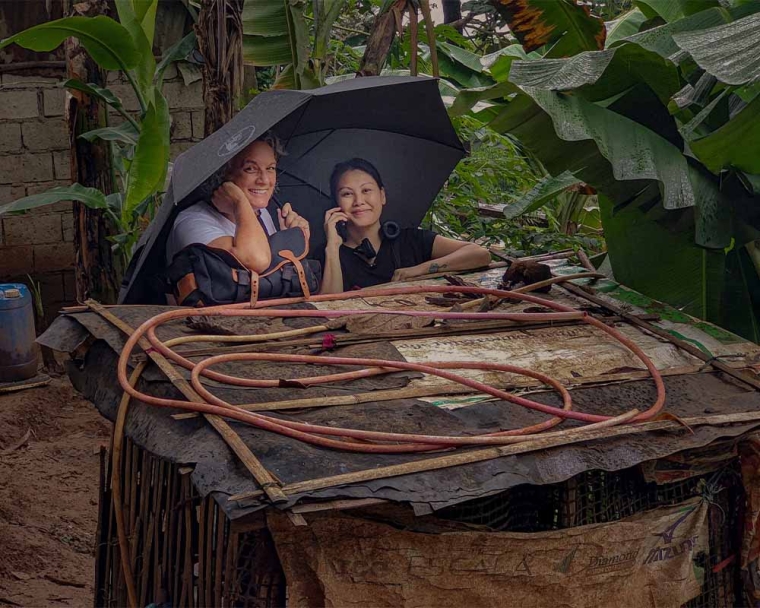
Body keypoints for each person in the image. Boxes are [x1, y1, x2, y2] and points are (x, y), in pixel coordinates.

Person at [320, 158, 491, 294]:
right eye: (347, 193)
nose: (359, 201)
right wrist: (333, 248)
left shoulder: (411, 240)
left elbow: (480, 254)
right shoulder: (328, 254)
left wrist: (418, 270)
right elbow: (326, 307)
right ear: (336, 203)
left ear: (382, 196)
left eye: (366, 190)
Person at [165, 132, 310, 273]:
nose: (265, 180)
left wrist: (288, 240)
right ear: (224, 173)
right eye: (250, 169)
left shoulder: (261, 214)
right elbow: (256, 261)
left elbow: (272, 280)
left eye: (270, 168)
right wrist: (239, 201)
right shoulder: (193, 221)